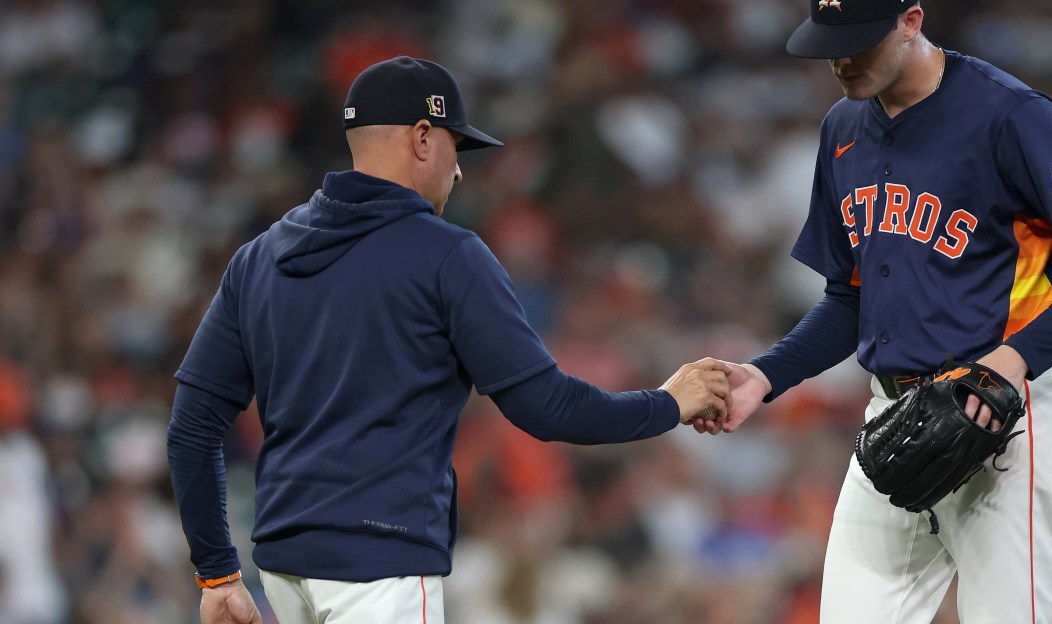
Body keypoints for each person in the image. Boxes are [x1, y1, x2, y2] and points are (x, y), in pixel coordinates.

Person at [166, 56, 732, 624]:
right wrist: (667, 404)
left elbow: (192, 424)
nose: (459, 172)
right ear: (421, 138)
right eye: (455, 147)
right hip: (380, 569)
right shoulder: (446, 254)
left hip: (285, 572)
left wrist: (217, 574)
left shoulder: (260, 257)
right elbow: (550, 408)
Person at [698, 1, 1052, 622]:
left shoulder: (1013, 116)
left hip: (1007, 420)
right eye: (830, 43)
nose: (842, 59)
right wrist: (770, 374)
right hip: (896, 417)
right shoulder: (841, 129)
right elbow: (851, 300)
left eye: (859, 40)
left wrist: (1009, 364)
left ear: (910, 20)